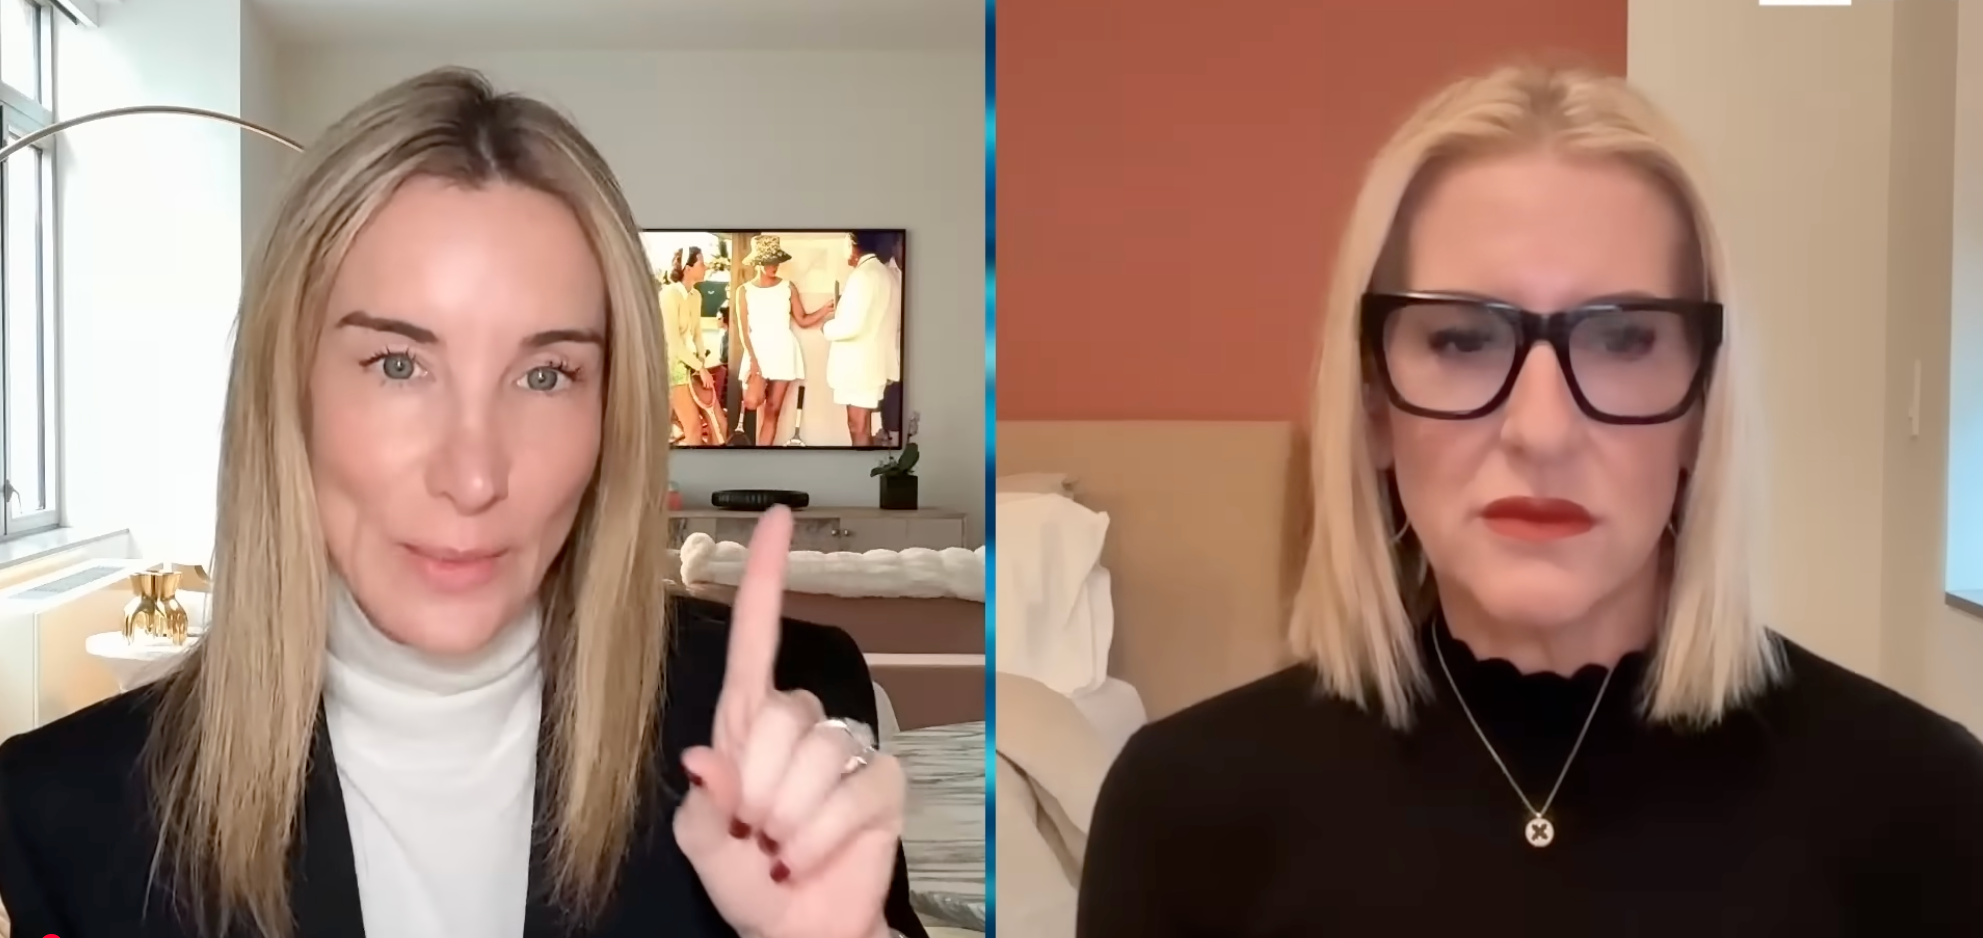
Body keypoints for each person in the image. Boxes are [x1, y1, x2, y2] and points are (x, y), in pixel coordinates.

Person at [0, 68, 926, 938]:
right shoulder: (68, 815)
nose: (474, 476)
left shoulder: (784, 716)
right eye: (399, 365)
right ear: (287, 394)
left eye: (546, 374)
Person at [1076, 64, 1983, 936]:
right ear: (1373, 404)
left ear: (1703, 409)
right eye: (1463, 339)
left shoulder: (1923, 810)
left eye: (1622, 340)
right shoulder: (1182, 814)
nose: (1541, 430)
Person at [737, 234, 833, 447]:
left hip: (783, 350)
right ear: (759, 262)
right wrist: (753, 360)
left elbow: (803, 320)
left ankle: (762, 455)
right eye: (770, 261)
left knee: (773, 409)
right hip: (757, 351)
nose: (775, 266)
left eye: (777, 260)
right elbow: (743, 331)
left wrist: (825, 309)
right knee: (752, 402)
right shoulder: (743, 291)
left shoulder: (787, 287)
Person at [821, 230, 900, 447]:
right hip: (874, 364)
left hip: (858, 367)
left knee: (858, 426)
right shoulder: (887, 275)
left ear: (852, 243)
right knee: (861, 424)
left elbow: (850, 326)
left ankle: (862, 477)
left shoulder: (864, 275)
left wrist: (826, 327)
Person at [663, 247, 715, 445]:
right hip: (670, 368)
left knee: (663, 429)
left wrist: (701, 359)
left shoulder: (696, 296)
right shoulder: (669, 295)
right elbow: (673, 343)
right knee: (692, 428)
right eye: (702, 263)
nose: (706, 267)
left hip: (687, 367)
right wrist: (700, 367)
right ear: (687, 268)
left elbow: (697, 333)